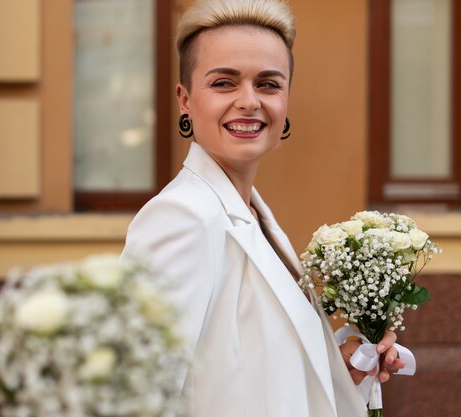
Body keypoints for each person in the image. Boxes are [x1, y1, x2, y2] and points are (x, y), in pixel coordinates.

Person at [121, 1, 405, 416]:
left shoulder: (255, 216)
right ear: (184, 99)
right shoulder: (182, 217)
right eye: (223, 83)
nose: (249, 101)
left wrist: (337, 370)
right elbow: (136, 393)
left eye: (269, 84)